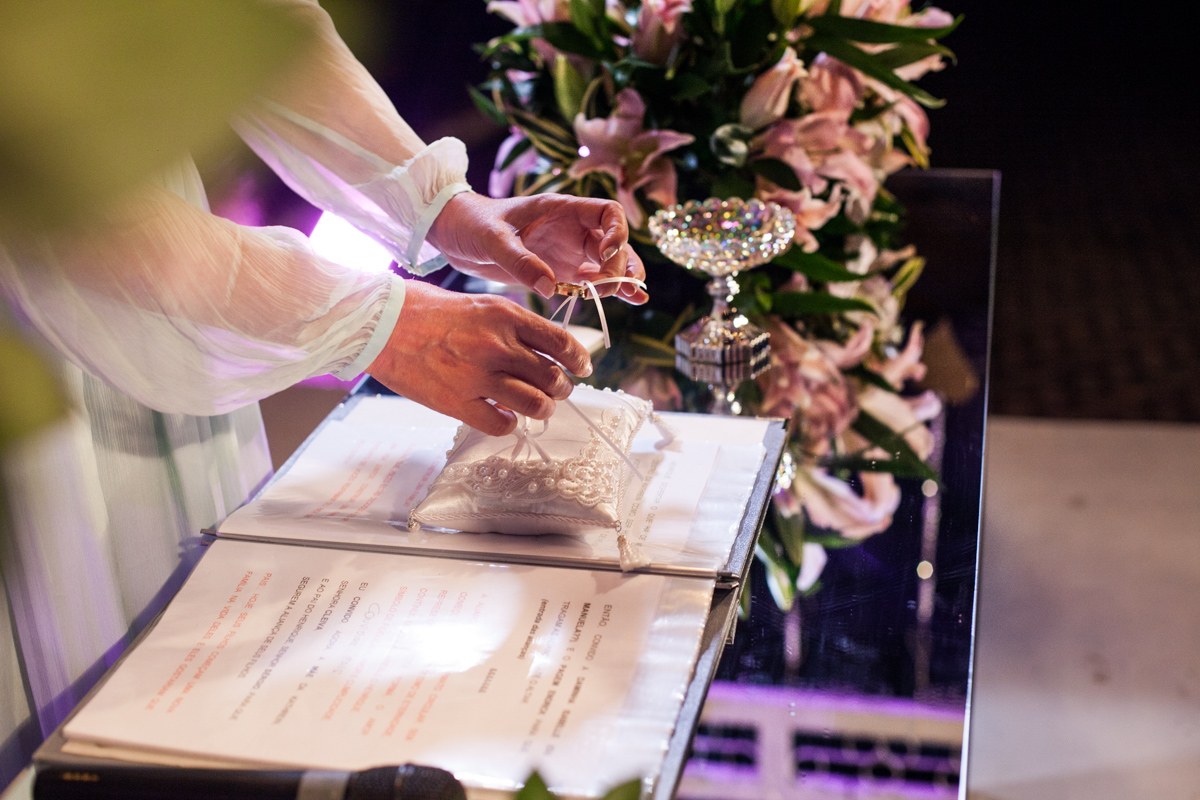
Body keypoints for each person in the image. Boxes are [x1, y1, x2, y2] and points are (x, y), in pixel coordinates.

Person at [0, 0, 645, 782]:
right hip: (42, 289)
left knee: (184, 681)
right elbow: (35, 164)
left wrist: (445, 207)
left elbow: (262, 22)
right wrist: (383, 323)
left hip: (165, 266)